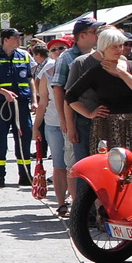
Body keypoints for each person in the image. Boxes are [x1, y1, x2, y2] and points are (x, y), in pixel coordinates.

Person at [65, 28, 132, 156]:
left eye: (120, 46)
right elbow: (70, 96)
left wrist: (121, 72)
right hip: (105, 126)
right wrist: (89, 114)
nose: (119, 50)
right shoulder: (96, 71)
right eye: (114, 47)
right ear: (103, 48)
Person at [0, 28, 33, 187]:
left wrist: (35, 99)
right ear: (6, 39)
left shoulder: (24, 55)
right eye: (16, 37)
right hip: (0, 105)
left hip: (21, 104)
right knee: (0, 140)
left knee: (24, 139)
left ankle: (25, 175)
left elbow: (30, 78)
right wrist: (3, 92)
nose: (19, 40)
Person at [33, 34, 74, 216]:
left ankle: (76, 201)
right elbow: (42, 103)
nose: (57, 52)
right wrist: (36, 127)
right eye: (53, 49)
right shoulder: (47, 73)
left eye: (61, 48)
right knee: (59, 165)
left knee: (74, 166)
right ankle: (61, 203)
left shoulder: (75, 67)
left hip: (73, 124)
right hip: (53, 124)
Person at [52, 16, 101, 164]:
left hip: (98, 117)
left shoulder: (100, 54)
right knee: (77, 163)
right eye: (94, 31)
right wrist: (66, 122)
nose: (98, 35)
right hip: (77, 119)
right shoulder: (66, 57)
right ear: (82, 35)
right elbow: (59, 89)